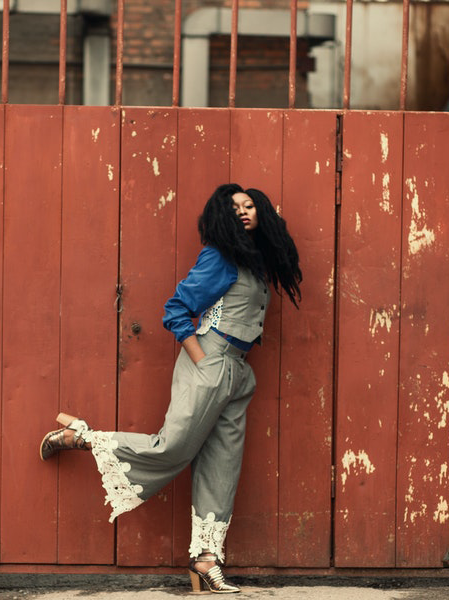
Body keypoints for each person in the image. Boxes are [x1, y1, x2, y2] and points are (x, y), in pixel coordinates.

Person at [39, 183, 302, 594]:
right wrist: (204, 362)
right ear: (222, 216)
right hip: (212, 361)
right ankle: (81, 436)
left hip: (238, 372)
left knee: (222, 467)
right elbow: (176, 310)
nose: (244, 212)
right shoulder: (221, 257)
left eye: (250, 206)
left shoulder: (256, 263)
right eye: (235, 208)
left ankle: (206, 562)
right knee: (173, 446)